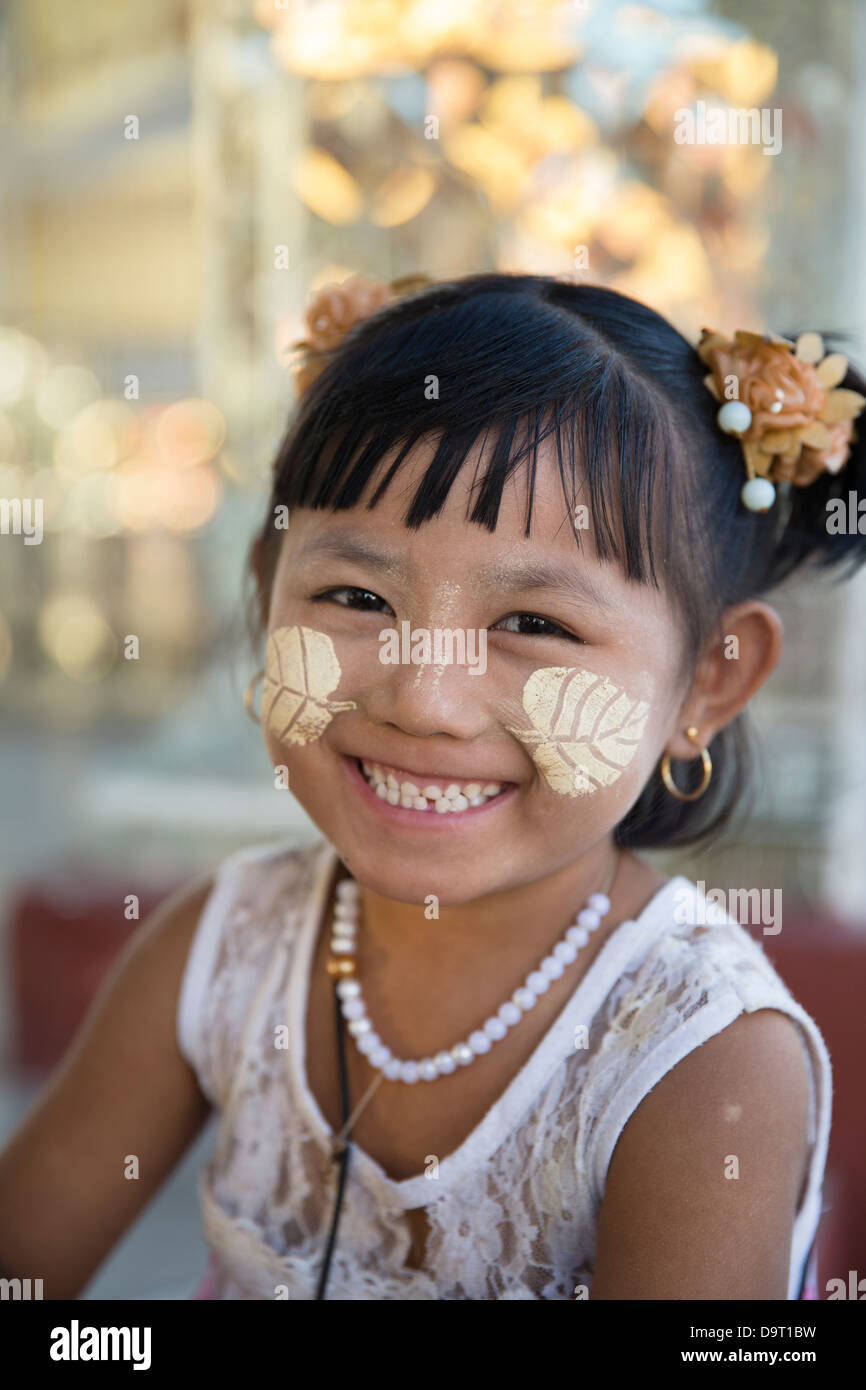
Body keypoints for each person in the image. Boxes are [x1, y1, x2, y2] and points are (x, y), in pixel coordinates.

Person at [2, 272, 864, 1300]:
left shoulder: (700, 1060)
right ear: (263, 593)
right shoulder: (225, 949)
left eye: (534, 625)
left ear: (710, 678)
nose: (425, 701)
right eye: (356, 596)